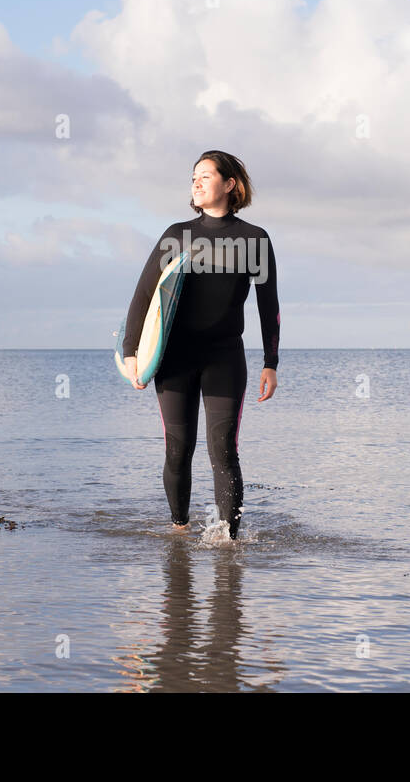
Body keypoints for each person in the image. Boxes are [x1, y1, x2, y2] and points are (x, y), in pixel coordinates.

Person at [121, 151, 279, 540]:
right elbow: (144, 296)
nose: (196, 182)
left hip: (225, 356)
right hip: (174, 358)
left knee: (223, 452)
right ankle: (180, 529)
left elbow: (268, 305)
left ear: (229, 184)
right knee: (178, 449)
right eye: (193, 176)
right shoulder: (177, 234)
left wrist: (270, 362)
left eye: (206, 175)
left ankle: (228, 541)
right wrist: (131, 353)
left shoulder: (254, 239)